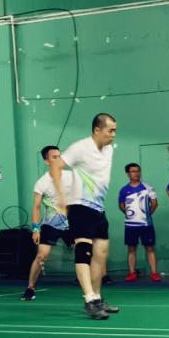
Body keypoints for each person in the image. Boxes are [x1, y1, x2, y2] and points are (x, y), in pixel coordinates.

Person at [51, 114, 119, 320]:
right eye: (110, 130)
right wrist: (61, 196)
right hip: (80, 205)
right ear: (97, 130)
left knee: (101, 253)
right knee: (84, 251)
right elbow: (55, 165)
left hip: (98, 208)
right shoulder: (80, 147)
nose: (113, 135)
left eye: (115, 130)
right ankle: (89, 300)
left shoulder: (108, 149)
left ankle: (97, 298)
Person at [22, 146, 74, 301]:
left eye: (60, 156)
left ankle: (90, 290)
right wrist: (36, 229)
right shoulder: (41, 183)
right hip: (51, 224)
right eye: (54, 157)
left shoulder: (71, 177)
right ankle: (30, 288)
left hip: (72, 223)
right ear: (46, 161)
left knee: (85, 252)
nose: (59, 159)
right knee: (41, 256)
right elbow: (36, 207)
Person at [118, 163, 160, 282]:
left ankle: (154, 273)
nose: (136, 173)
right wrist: (131, 215)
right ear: (128, 174)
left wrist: (146, 215)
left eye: (138, 171)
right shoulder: (124, 190)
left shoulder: (148, 187)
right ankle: (132, 273)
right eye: (133, 171)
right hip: (130, 225)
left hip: (146, 225)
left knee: (150, 248)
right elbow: (121, 205)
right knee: (131, 249)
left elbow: (154, 204)